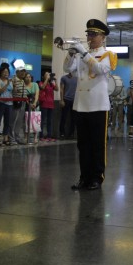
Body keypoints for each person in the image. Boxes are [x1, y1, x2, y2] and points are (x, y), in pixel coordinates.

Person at [65, 18, 117, 191]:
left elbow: (100, 69)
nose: (90, 37)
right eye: (89, 34)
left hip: (97, 105)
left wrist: (83, 53)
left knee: (97, 144)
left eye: (94, 34)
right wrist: (71, 53)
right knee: (83, 145)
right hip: (81, 105)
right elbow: (68, 69)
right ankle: (84, 177)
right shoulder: (82, 54)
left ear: (103, 37)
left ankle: (97, 177)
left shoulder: (108, 55)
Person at [9, 65, 28, 145]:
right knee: (12, 120)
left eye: (24, 71)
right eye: (21, 71)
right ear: (17, 72)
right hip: (15, 102)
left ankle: (17, 137)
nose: (23, 73)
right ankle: (11, 138)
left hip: (23, 102)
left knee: (19, 121)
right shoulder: (13, 80)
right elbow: (12, 91)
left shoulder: (23, 81)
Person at [38, 71, 58, 141]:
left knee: (50, 121)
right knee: (43, 121)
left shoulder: (51, 84)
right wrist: (46, 79)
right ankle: (41, 136)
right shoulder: (41, 83)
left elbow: (57, 89)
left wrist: (56, 81)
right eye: (47, 75)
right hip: (44, 104)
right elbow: (42, 87)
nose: (48, 76)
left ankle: (49, 136)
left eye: (49, 75)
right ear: (44, 77)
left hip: (51, 104)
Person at [59, 71, 77, 139]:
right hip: (66, 99)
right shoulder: (64, 78)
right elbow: (61, 89)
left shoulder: (76, 78)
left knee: (73, 118)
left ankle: (71, 133)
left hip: (74, 100)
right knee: (64, 117)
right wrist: (62, 100)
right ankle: (62, 133)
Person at [24, 73, 40, 144]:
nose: (28, 78)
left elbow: (37, 94)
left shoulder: (35, 84)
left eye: (29, 77)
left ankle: (35, 137)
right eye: (26, 77)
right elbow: (24, 96)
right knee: (26, 121)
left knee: (36, 120)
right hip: (27, 104)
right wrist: (29, 104)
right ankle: (26, 136)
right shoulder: (23, 85)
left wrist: (35, 103)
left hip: (35, 104)